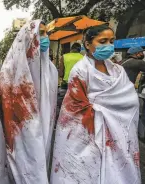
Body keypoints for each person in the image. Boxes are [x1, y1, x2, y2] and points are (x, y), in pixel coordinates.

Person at [51, 25, 141, 184]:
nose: (108, 45)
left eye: (111, 41)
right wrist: (105, 112)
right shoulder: (80, 70)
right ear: (87, 44)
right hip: (90, 133)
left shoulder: (118, 70)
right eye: (102, 41)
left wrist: (112, 112)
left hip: (118, 134)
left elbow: (129, 98)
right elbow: (74, 110)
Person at [0, 20, 58, 184]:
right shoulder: (10, 70)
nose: (45, 38)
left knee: (39, 162)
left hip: (43, 126)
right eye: (40, 33)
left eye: (46, 33)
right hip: (18, 129)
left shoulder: (51, 70)